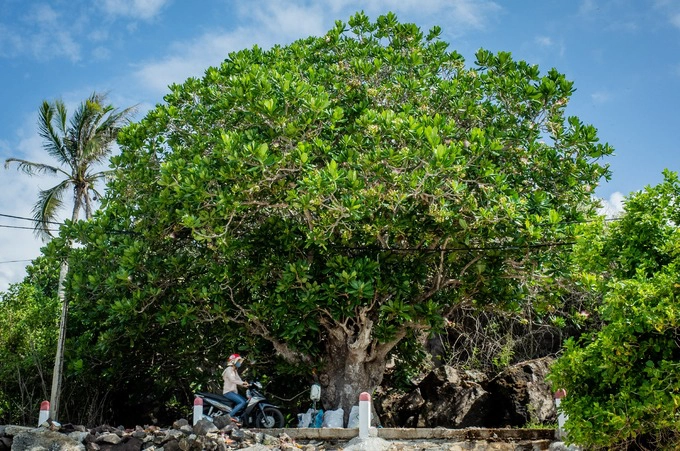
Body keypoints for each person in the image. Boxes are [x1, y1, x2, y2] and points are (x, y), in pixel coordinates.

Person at [222, 353, 249, 422]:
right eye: (238, 361)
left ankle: (238, 417)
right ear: (233, 361)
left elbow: (239, 380)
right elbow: (233, 380)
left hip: (233, 392)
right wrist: (242, 383)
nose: (239, 363)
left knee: (246, 402)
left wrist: (246, 385)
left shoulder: (234, 370)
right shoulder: (229, 369)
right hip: (228, 392)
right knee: (242, 402)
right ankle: (229, 416)